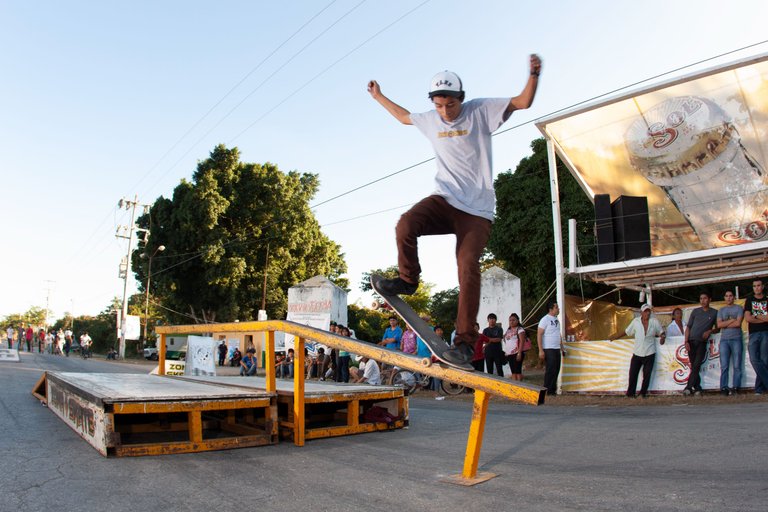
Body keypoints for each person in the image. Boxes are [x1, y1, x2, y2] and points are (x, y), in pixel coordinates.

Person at [367, 54, 542, 365]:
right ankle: (408, 281)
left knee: (466, 264)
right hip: (444, 200)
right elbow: (404, 116)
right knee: (405, 224)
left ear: (461, 98)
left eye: (450, 105)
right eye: (439, 106)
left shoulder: (481, 111)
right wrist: (379, 96)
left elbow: (523, 102)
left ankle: (463, 341)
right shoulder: (432, 119)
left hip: (477, 211)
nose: (445, 112)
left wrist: (533, 75)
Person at [611, 304, 666, 398]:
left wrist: (663, 337)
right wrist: (615, 337)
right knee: (632, 374)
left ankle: (642, 393)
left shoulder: (654, 321)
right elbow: (627, 331)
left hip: (650, 352)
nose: (647, 313)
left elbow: (661, 332)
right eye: (645, 311)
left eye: (648, 311)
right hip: (637, 352)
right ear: (641, 312)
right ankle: (630, 394)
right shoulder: (636, 322)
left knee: (647, 374)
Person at [683, 292, 718, 396]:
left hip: (702, 342)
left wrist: (709, 331)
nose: (703, 300)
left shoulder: (714, 312)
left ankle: (688, 387)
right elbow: (688, 327)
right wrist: (686, 341)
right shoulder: (695, 311)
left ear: (710, 299)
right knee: (694, 366)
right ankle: (697, 388)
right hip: (691, 341)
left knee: (696, 365)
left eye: (705, 298)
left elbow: (718, 328)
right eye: (701, 298)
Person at [717, 290, 744, 395]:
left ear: (734, 297)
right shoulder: (721, 310)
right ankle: (723, 387)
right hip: (724, 340)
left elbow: (738, 323)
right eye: (727, 296)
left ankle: (736, 387)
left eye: (730, 296)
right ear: (724, 298)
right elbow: (719, 325)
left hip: (736, 338)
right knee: (724, 366)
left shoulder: (739, 308)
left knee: (737, 365)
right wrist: (732, 320)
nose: (728, 298)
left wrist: (725, 323)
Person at [744, 278, 768, 395]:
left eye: (759, 285)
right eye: (754, 286)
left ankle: (759, 389)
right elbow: (748, 318)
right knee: (754, 359)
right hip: (753, 333)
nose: (757, 288)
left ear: (762, 286)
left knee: (764, 360)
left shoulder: (766, 299)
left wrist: (756, 316)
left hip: (765, 332)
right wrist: (762, 318)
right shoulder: (749, 300)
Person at [538, 302, 564, 396]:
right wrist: (541, 350)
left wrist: (562, 347)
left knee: (556, 369)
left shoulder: (557, 320)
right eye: (556, 307)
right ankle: (547, 389)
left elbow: (558, 334)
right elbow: (539, 334)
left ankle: (552, 390)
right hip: (548, 348)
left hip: (556, 348)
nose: (558, 309)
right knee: (550, 369)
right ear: (551, 309)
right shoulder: (545, 320)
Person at [503, 313, 529, 381]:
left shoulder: (520, 329)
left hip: (517, 352)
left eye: (513, 320)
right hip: (510, 354)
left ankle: (520, 386)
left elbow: (522, 341)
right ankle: (515, 387)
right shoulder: (508, 330)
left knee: (518, 371)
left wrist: (519, 353)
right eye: (510, 320)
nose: (511, 321)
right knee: (513, 372)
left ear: (517, 321)